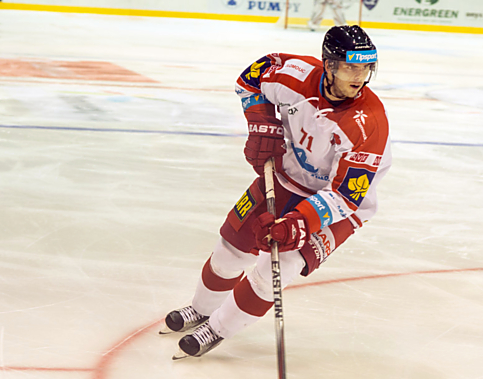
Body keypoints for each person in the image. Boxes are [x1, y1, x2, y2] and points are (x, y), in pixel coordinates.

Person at [162, 25, 391, 360]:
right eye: (349, 67)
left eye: (365, 68)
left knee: (277, 269)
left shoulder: (369, 122)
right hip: (285, 178)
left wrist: (298, 223)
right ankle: (201, 310)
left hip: (339, 204)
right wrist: (261, 124)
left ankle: (217, 329)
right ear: (329, 65)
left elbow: (346, 196)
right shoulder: (295, 75)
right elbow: (250, 78)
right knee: (231, 247)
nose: (359, 77)